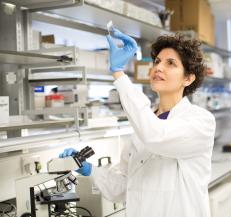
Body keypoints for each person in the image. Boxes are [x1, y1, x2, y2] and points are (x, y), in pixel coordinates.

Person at [60, 28, 216, 217]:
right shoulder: (143, 125)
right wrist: (90, 169)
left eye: (171, 63)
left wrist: (119, 75)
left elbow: (156, 136)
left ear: (188, 78)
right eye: (157, 61)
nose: (158, 68)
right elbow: (124, 188)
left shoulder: (200, 122)